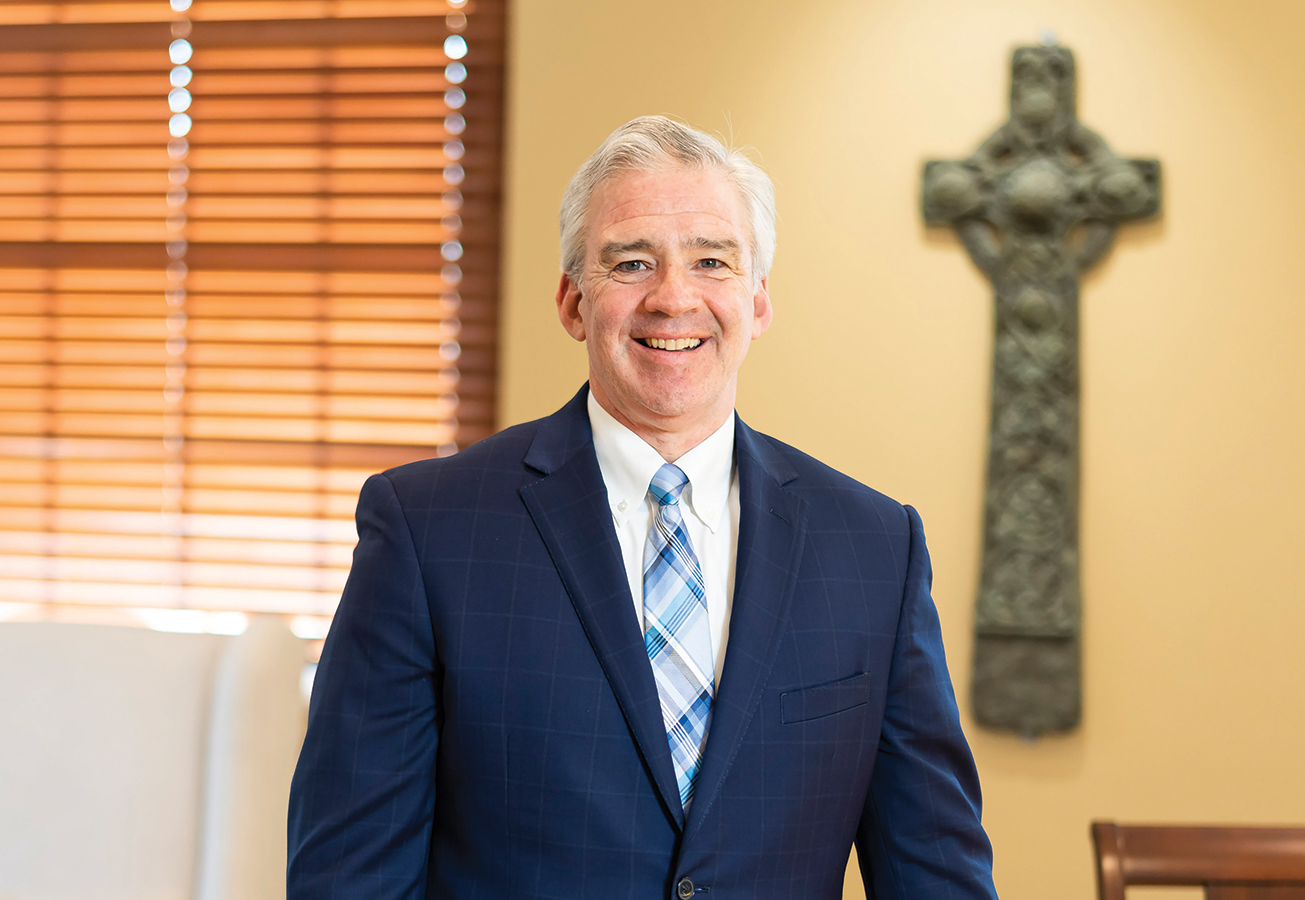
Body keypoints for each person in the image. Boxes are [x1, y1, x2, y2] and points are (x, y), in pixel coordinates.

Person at [287, 115, 998, 900]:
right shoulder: (426, 531)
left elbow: (938, 877)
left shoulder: (874, 548)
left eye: (712, 261)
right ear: (572, 302)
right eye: (631, 263)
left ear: (757, 301)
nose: (673, 298)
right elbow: (348, 880)